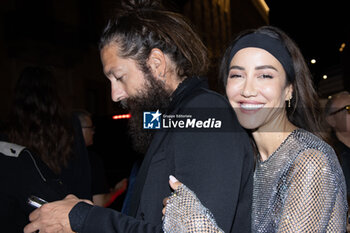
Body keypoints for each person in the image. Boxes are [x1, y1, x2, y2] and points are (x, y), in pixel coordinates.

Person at [23, 1, 254, 233]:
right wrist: (86, 215)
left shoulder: (204, 113)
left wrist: (85, 218)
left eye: (119, 77)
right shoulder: (171, 118)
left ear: (156, 64)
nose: (115, 95)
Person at [162, 26, 348, 232]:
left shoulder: (308, 160)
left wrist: (195, 224)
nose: (248, 90)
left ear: (289, 90)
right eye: (237, 76)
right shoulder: (247, 158)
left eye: (265, 76)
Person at [0, 66, 92, 232]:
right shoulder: (70, 125)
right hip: (66, 214)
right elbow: (82, 177)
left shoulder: (10, 129)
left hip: (26, 216)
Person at [74, 109, 128, 207]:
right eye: (90, 128)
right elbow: (99, 203)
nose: (93, 132)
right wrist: (118, 190)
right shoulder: (90, 160)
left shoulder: (57, 157)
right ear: (79, 128)